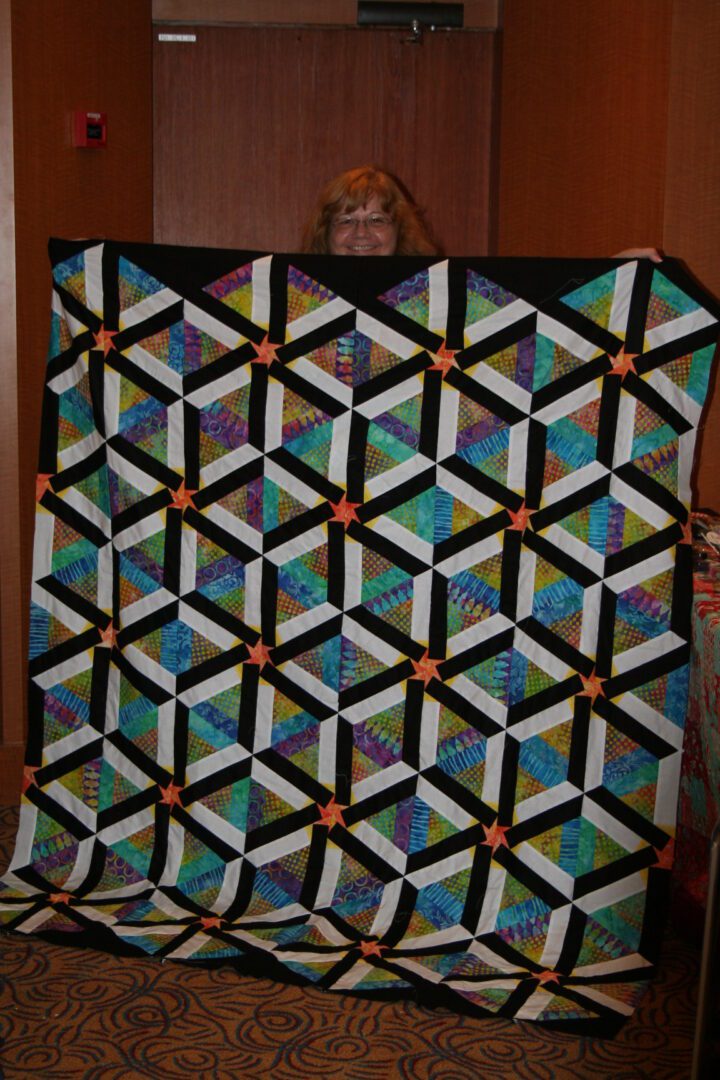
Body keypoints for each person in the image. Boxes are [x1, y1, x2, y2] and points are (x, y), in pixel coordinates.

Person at [301, 164, 660, 262]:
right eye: (346, 221)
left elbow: (537, 314)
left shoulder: (436, 296)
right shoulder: (293, 305)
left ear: (400, 230)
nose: (361, 234)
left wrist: (616, 274)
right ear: (326, 233)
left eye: (377, 219)